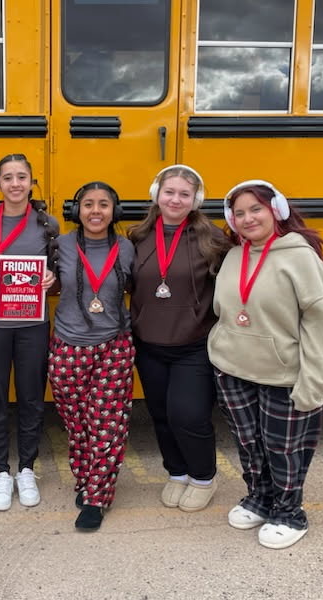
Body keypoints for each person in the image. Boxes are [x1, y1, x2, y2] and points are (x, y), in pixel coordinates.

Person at [209, 180, 323, 549]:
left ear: (276, 210)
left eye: (256, 209)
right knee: (249, 444)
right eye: (239, 213)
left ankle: (289, 513)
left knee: (283, 449)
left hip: (283, 373)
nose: (248, 218)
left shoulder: (300, 257)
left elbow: (319, 323)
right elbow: (225, 312)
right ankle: (259, 499)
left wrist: (314, 383)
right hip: (233, 370)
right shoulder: (234, 256)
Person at [128, 164, 232, 513]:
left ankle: (204, 476)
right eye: (169, 192)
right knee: (160, 414)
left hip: (194, 346)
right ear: (156, 194)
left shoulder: (213, 239)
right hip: (149, 345)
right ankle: (177, 472)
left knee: (188, 415)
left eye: (184, 194)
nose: (175, 199)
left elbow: (232, 286)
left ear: (196, 200)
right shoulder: (137, 237)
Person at [0, 153, 59, 511]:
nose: (16, 184)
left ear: (32, 182)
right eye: (8, 177)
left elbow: (58, 271)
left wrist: (53, 280)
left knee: (32, 397)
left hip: (33, 323)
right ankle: (1, 471)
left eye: (22, 177)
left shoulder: (47, 223)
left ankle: (27, 468)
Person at [48, 181, 135, 531]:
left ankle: (97, 497)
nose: (96, 211)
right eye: (88, 204)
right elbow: (36, 278)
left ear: (114, 211)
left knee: (106, 424)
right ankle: (85, 478)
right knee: (77, 424)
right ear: (76, 210)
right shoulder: (60, 245)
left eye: (103, 204)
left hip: (113, 344)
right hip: (68, 345)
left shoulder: (128, 247)